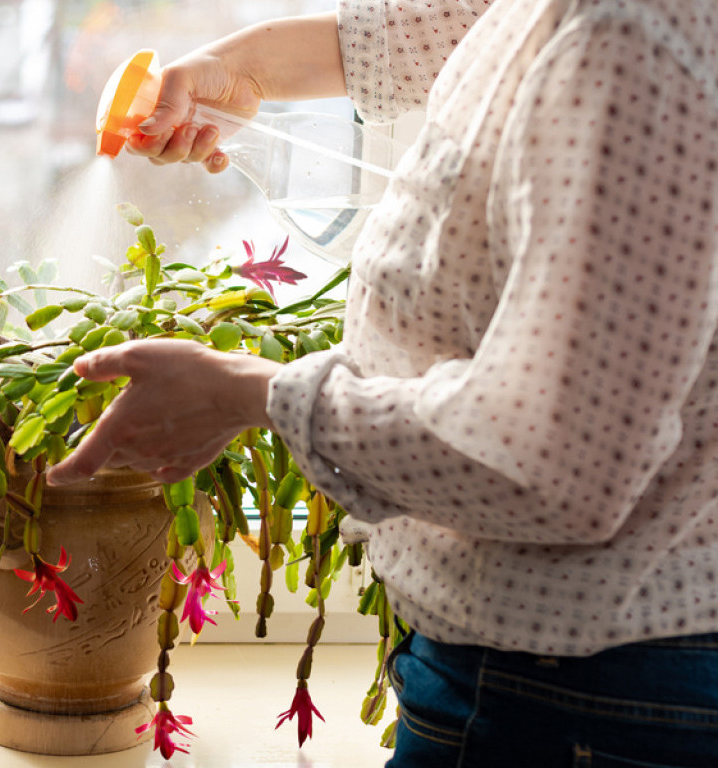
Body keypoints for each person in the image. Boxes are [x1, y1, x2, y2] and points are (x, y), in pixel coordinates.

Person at [48, 1, 718, 765]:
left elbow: (554, 462)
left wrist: (249, 393)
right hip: (544, 677)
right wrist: (240, 70)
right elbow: (448, 28)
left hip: (582, 700)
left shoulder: (631, 41)